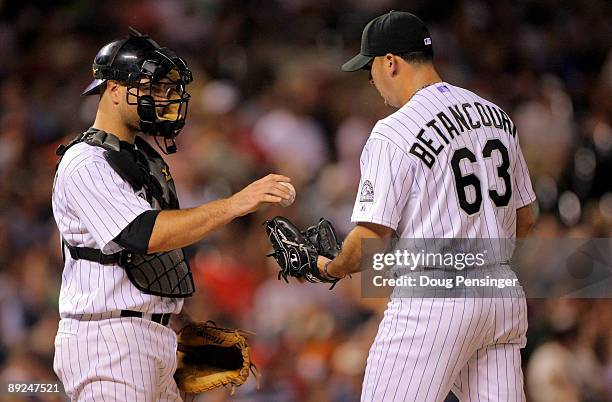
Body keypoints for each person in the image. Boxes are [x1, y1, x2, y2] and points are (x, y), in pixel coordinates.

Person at [51, 29, 293, 401]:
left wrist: (175, 326)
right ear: (113, 90)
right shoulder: (86, 161)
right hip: (108, 340)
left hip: (148, 336)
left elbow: (153, 260)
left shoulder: (141, 159)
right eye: (152, 87)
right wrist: (235, 203)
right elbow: (142, 234)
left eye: (167, 89)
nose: (164, 97)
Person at [317, 11, 536, 401]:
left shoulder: (393, 130)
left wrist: (330, 267)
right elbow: (526, 217)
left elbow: (371, 237)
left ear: (391, 62)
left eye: (370, 68)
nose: (371, 80)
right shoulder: (496, 116)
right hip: (501, 293)